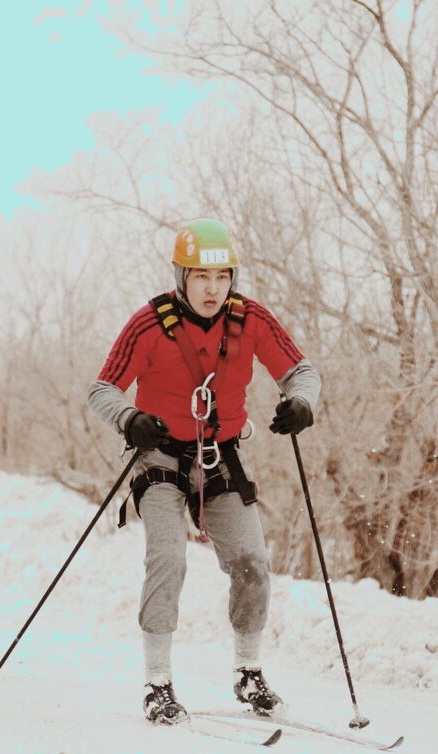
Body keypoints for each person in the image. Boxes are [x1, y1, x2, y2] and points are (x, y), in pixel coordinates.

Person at [88, 218, 321, 725]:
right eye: (201, 277)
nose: (213, 288)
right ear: (181, 277)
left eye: (222, 277)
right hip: (161, 460)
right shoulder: (148, 325)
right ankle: (158, 683)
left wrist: (302, 402)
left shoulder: (250, 318)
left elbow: (301, 372)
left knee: (253, 562)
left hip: (221, 458)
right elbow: (102, 389)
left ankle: (248, 670)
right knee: (169, 558)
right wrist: (129, 418)